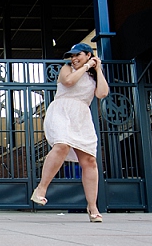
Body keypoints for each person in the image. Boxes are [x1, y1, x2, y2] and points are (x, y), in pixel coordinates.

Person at [31, 42, 110, 222]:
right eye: (72, 56)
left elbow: (102, 93)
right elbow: (69, 81)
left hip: (81, 115)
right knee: (62, 145)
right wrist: (87, 65)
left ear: (89, 55)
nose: (74, 59)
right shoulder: (67, 69)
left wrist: (97, 70)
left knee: (89, 160)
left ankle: (92, 207)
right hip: (62, 109)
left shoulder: (93, 74)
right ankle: (41, 188)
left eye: (78, 55)